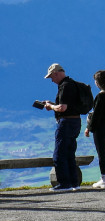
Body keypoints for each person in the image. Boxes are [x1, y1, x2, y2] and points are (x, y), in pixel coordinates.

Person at [41, 64, 84, 192]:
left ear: (56, 73)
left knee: (59, 154)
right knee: (70, 153)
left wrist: (51, 107)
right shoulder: (72, 84)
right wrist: (54, 104)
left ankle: (64, 184)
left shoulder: (65, 86)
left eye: (51, 77)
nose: (52, 81)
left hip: (66, 123)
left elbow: (62, 108)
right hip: (76, 121)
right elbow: (68, 106)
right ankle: (74, 183)